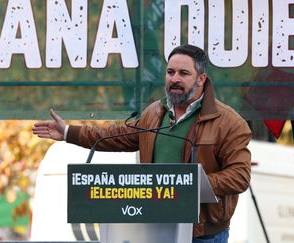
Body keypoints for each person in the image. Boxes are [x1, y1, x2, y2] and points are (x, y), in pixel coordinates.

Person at [32, 44, 252, 243]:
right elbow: (116, 135)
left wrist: (189, 185)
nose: (174, 79)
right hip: (154, 227)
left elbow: (240, 176)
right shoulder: (155, 112)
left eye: (183, 73)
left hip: (202, 234)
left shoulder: (229, 122)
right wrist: (69, 132)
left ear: (201, 79)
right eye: (170, 72)